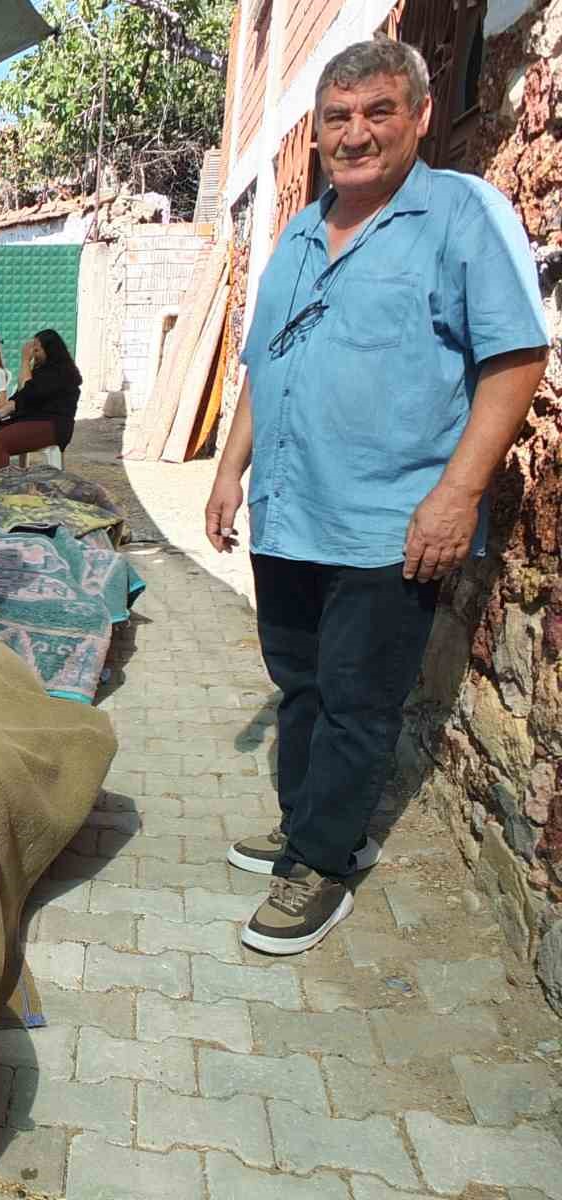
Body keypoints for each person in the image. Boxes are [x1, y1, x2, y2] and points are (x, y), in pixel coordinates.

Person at [205, 38, 548, 956]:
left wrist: (456, 495)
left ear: (420, 115)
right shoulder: (298, 230)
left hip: (387, 525)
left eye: (376, 112)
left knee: (359, 699)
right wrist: (230, 468)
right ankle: (309, 820)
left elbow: (514, 358)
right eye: (337, 119)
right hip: (291, 515)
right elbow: (260, 364)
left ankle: (323, 864)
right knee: (301, 686)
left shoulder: (463, 215)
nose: (355, 135)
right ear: (316, 133)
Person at [0, 329, 80, 477]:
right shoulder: (43, 370)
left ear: (50, 350)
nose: (34, 353)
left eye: (37, 350)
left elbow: (28, 390)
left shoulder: (61, 373)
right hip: (33, 419)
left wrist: (25, 360)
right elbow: (21, 396)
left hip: (53, 424)